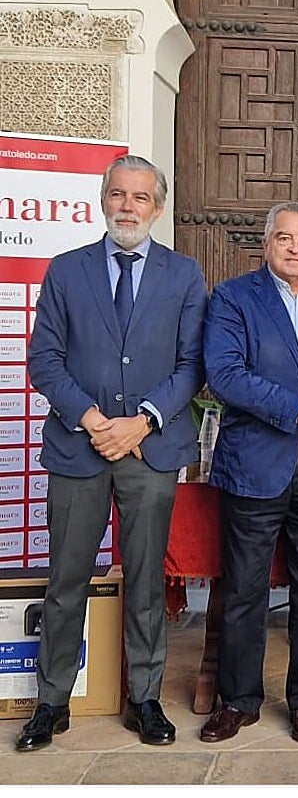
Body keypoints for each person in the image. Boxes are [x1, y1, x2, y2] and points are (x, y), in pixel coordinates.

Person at [17, 155, 207, 752]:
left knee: (146, 580)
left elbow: (192, 365)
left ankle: (144, 698)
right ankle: (51, 701)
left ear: (158, 207)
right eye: (119, 195)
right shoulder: (66, 270)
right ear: (103, 200)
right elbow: (44, 360)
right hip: (80, 445)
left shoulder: (184, 275)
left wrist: (141, 422)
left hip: (150, 450)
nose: (129, 206)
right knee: (66, 578)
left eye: (141, 197)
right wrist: (95, 420)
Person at [199, 201, 298, 745]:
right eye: (285, 237)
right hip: (254, 466)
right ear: (266, 243)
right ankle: (238, 701)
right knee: (244, 590)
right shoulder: (233, 298)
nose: (295, 247)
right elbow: (224, 375)